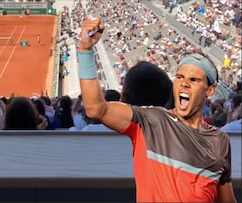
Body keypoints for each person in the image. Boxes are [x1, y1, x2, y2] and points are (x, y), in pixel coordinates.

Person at [77, 18, 236, 202]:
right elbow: (96, 109)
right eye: (180, 77)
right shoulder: (150, 121)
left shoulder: (220, 141)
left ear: (210, 90)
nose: (184, 83)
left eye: (194, 80)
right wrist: (86, 50)